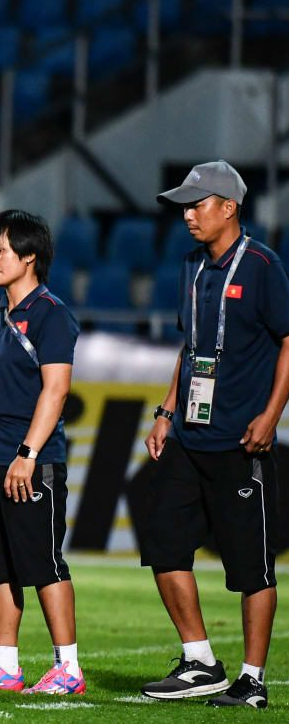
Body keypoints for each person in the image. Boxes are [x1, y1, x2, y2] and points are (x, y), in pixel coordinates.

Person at [141, 160, 287, 709]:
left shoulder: (264, 266)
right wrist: (164, 410)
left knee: (251, 564)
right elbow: (192, 346)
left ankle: (251, 680)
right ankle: (200, 660)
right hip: (188, 434)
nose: (188, 214)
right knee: (163, 544)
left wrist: (272, 415)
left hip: (240, 441)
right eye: (184, 204)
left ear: (229, 207)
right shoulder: (191, 267)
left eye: (198, 203)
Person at [0, 210, 84, 695]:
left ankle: (68, 668)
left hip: (30, 460)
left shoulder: (50, 313)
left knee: (43, 562)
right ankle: (5, 666)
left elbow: (55, 390)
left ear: (29, 257)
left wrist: (28, 453)